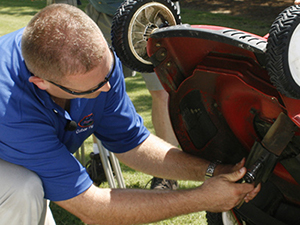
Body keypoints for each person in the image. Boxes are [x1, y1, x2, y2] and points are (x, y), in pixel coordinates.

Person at [0, 4, 260, 225]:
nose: (107, 88)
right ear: (41, 83)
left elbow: (133, 144)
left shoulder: (97, 69)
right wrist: (202, 198)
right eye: (93, 88)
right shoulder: (12, 111)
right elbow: (91, 208)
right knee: (23, 188)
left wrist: (214, 171)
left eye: (108, 72)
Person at [85, 0, 181, 190]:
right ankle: (102, 163)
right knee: (99, 86)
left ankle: (167, 174)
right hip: (105, 12)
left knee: (162, 92)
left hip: (155, 14)